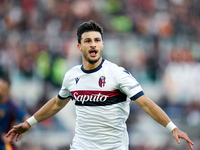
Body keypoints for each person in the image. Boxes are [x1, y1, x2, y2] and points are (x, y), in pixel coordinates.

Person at [6, 20, 194, 150]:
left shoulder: (117, 74)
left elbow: (145, 103)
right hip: (81, 146)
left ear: (102, 44)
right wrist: (29, 123)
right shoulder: (72, 76)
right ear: (79, 46)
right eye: (88, 41)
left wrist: (172, 127)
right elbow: (57, 103)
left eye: (97, 40)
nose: (93, 44)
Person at [0, 76, 29, 150]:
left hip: (4, 146)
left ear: (7, 91)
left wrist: (17, 135)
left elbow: (29, 122)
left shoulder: (11, 106)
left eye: (2, 89)